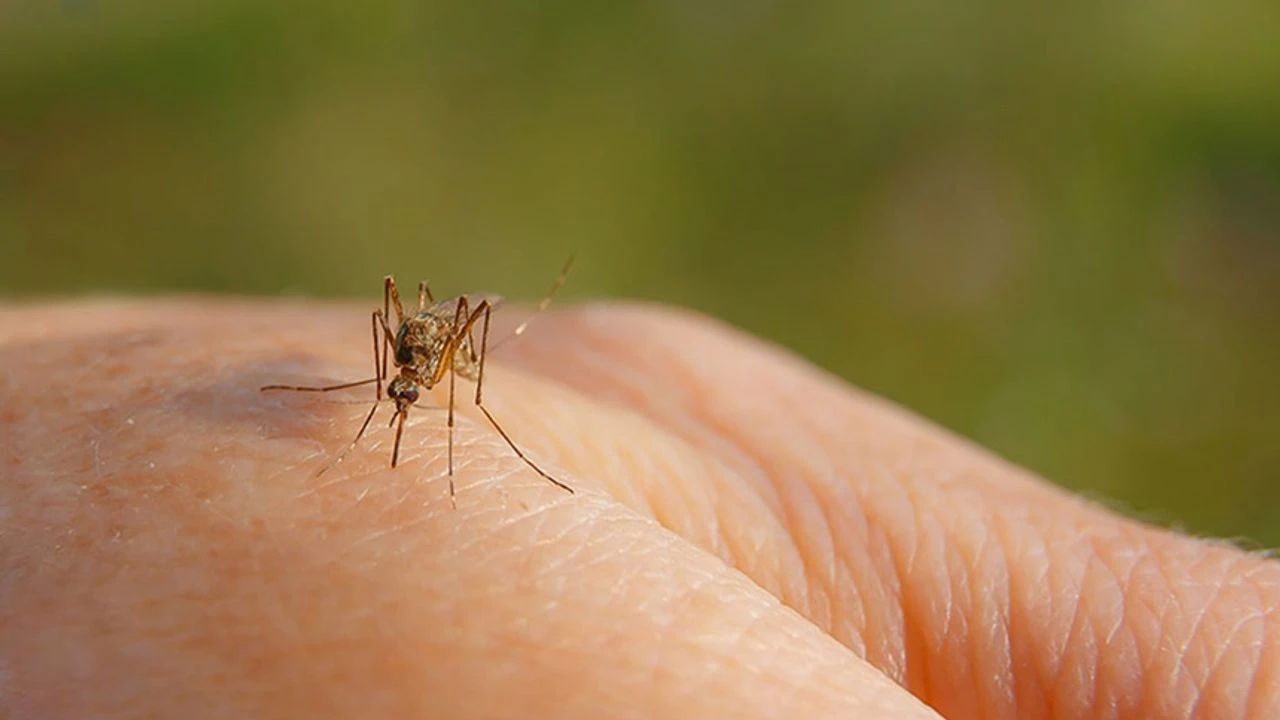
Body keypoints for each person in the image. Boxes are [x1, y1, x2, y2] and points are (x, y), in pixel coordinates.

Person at [2, 299, 1275, 719]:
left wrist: (467, 417)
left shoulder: (447, 355)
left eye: (405, 378)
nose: (399, 389)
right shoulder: (390, 354)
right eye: (400, 377)